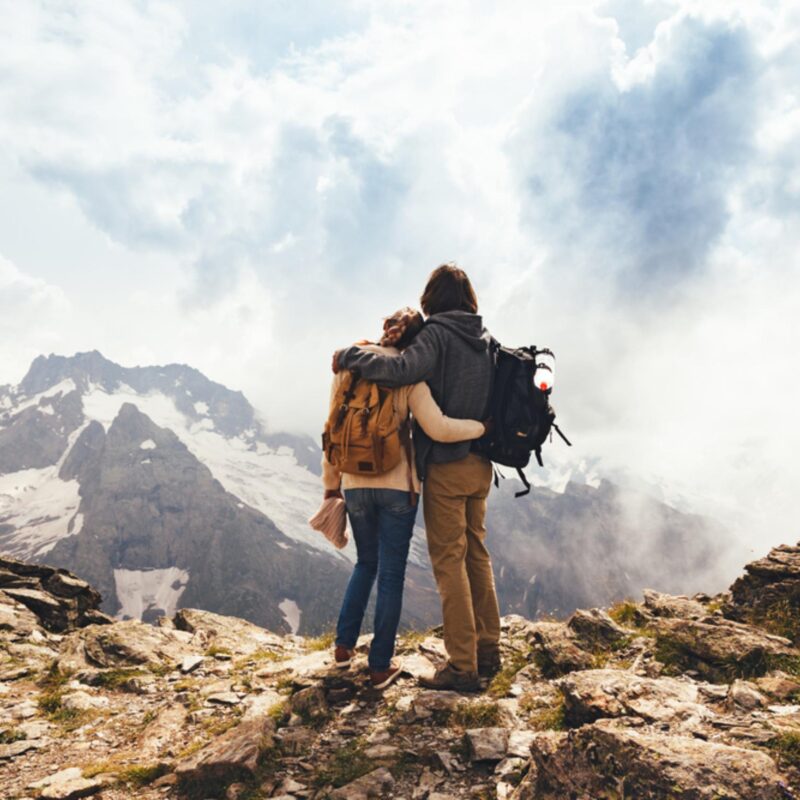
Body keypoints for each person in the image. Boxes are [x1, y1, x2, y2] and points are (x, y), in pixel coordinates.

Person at [334, 264, 501, 692]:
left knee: (449, 564)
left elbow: (401, 371)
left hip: (446, 464)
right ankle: (488, 650)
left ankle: (462, 668)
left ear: (432, 297)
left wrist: (352, 354)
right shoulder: (485, 339)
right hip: (482, 464)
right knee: (477, 556)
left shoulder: (437, 335)